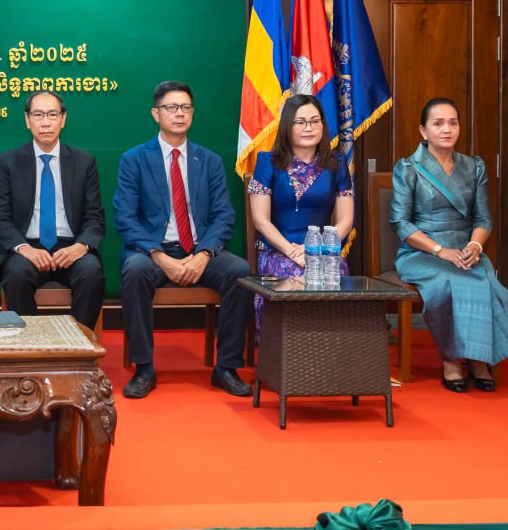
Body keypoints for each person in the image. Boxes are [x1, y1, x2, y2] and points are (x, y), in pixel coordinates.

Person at [114, 81, 252, 400]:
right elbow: (125, 218)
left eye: (186, 107)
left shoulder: (209, 160)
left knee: (240, 272)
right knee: (134, 271)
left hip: (199, 249)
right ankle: (144, 368)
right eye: (172, 108)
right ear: (156, 114)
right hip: (153, 251)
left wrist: (204, 254)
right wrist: (160, 257)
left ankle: (226, 368)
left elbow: (224, 215)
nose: (180, 114)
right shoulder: (134, 160)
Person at [390, 97, 508, 392]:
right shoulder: (408, 168)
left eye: (453, 123)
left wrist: (475, 246)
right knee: (450, 281)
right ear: (423, 131)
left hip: (465, 250)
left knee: (488, 282)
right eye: (438, 123)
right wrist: (440, 251)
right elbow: (401, 223)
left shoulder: (473, 167)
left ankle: (478, 359)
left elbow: (483, 218)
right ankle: (450, 360)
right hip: (422, 251)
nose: (446, 129)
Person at [0, 90, 104, 328]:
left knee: (91, 272)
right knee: (16, 274)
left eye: (52, 114)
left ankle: (80, 343)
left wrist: (80, 247)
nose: (46, 122)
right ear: (27, 120)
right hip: (28, 247)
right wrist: (24, 249)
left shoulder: (84, 162)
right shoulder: (8, 162)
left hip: (70, 246)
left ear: (63, 119)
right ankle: (32, 343)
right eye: (38, 115)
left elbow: (95, 216)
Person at [247, 95, 352, 325]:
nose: (309, 128)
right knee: (293, 278)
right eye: (300, 122)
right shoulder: (268, 161)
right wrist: (292, 251)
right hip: (278, 249)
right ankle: (287, 345)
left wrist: (316, 249)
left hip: (324, 251)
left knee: (330, 278)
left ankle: (328, 345)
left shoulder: (337, 163)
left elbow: (346, 220)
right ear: (287, 126)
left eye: (315, 121)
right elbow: (260, 220)